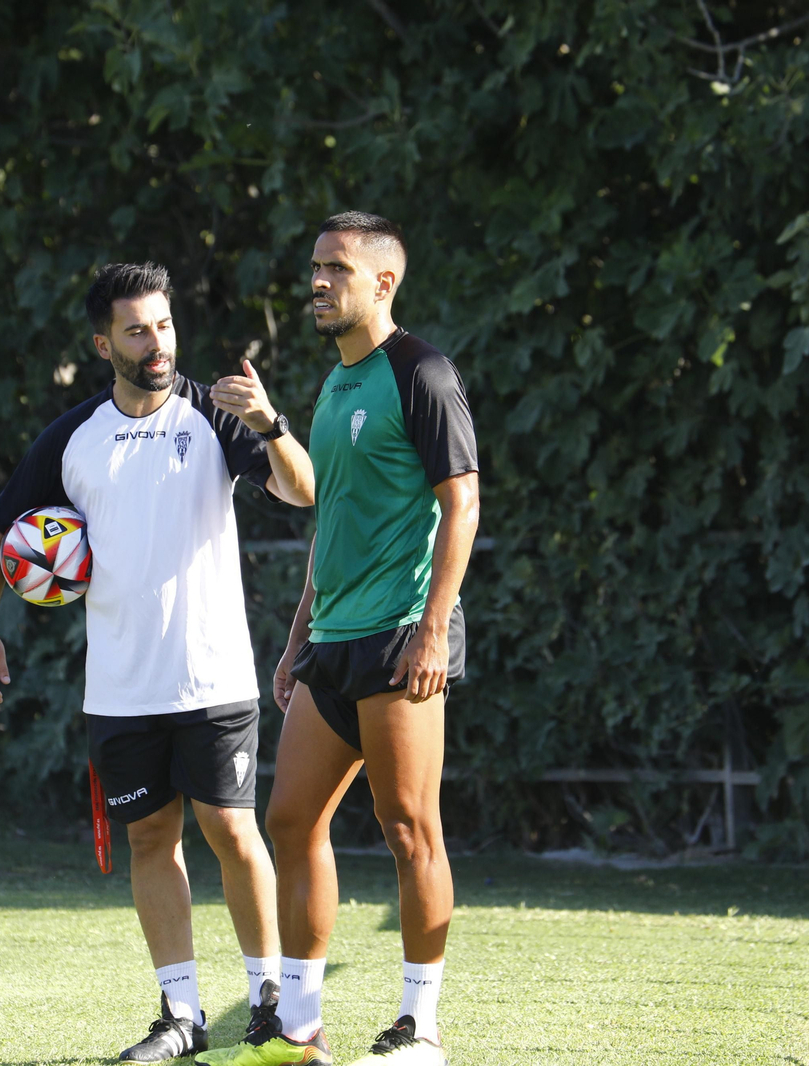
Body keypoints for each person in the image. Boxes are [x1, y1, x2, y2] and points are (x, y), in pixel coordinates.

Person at [0, 262, 316, 1062]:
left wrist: (269, 422)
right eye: (135, 329)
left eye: (162, 325)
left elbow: (302, 491)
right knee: (152, 841)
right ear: (103, 343)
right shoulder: (72, 437)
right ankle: (183, 1015)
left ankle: (267, 1002)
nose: (155, 343)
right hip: (120, 689)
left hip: (214, 676)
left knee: (231, 829)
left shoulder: (216, 416)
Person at [200, 213, 478, 1066]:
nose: (318, 282)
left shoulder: (421, 373)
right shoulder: (331, 388)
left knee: (408, 829)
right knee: (290, 820)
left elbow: (462, 501)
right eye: (315, 268)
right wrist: (294, 640)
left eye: (336, 269)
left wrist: (434, 630)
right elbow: (333, 520)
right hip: (330, 641)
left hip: (402, 638)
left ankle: (419, 1028)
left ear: (383, 283)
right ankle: (301, 1028)